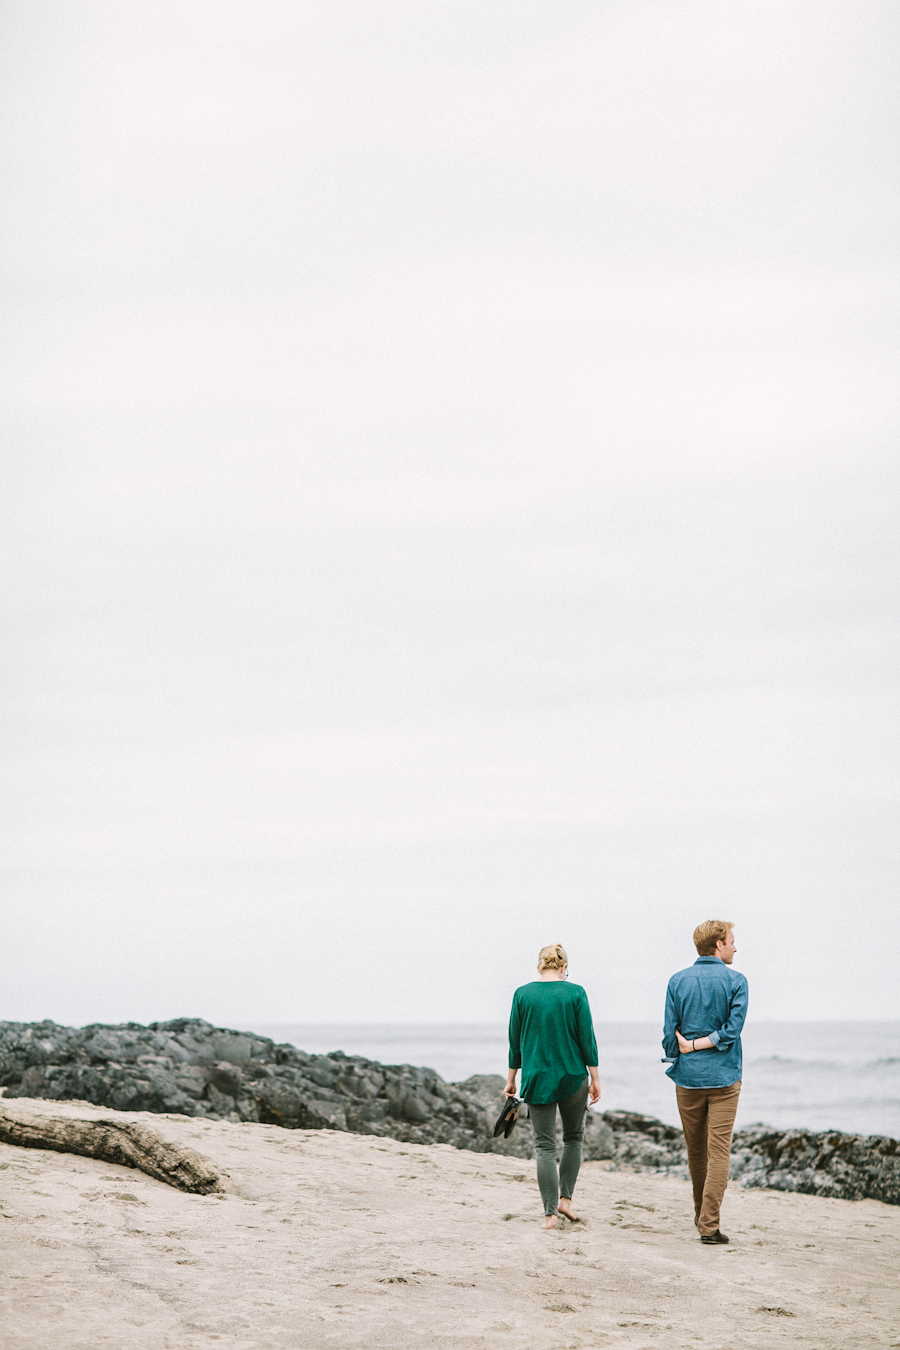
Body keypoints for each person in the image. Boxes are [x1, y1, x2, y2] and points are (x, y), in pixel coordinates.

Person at [662, 920, 748, 1245]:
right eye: (732, 941)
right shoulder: (737, 981)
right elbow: (732, 1031)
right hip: (725, 1078)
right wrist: (704, 1043)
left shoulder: (677, 981)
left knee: (696, 1152)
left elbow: (671, 1032)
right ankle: (708, 1226)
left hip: (687, 1078)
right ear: (718, 945)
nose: (735, 947)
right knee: (719, 1152)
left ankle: (702, 1217)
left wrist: (681, 1054)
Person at [504, 943, 601, 1229]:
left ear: (540, 966)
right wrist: (595, 1078)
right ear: (563, 968)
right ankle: (565, 1201)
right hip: (573, 1077)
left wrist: (511, 1079)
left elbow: (515, 1042)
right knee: (573, 1138)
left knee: (544, 1147)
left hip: (536, 1079)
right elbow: (587, 1040)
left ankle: (549, 1215)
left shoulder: (522, 994)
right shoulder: (576, 993)